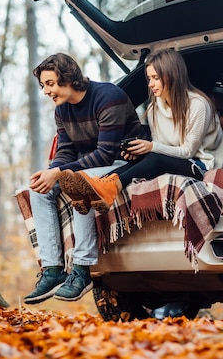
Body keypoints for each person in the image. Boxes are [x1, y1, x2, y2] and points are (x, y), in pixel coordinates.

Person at [24, 52, 146, 305]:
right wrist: (51, 172)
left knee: (77, 182)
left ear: (68, 78)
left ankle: (82, 270)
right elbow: (66, 150)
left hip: (122, 160)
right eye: (43, 86)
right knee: (39, 189)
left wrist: (60, 173)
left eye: (50, 84)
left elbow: (105, 154)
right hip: (88, 164)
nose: (46, 91)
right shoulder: (62, 110)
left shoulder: (108, 97)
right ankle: (53, 270)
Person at [58, 48, 223, 213]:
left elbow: (188, 151)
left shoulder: (198, 105)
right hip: (172, 160)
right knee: (141, 159)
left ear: (172, 76)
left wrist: (151, 147)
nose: (150, 84)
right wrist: (140, 152)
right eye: (149, 78)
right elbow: (161, 147)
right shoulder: (154, 108)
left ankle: (110, 187)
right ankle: (99, 187)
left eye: (155, 78)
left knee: (154, 158)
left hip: (201, 165)